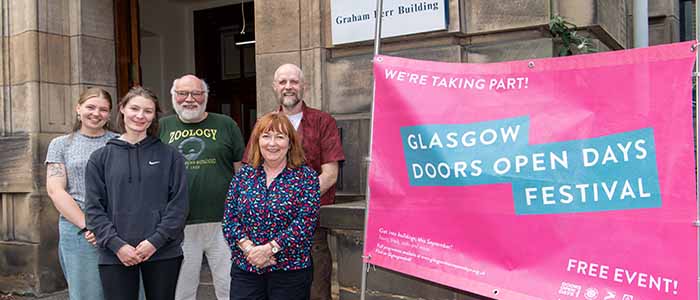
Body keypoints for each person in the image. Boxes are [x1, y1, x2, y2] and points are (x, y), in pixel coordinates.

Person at [85, 86, 189, 300]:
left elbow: (179, 205)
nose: (140, 116)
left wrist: (155, 242)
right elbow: (94, 209)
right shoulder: (100, 158)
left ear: (154, 115)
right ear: (122, 109)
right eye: (134, 108)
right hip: (115, 253)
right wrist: (117, 245)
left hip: (163, 251)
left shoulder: (170, 156)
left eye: (148, 111)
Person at [159, 74, 245, 300]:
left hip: (224, 222)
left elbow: (241, 172)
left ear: (205, 97)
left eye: (196, 93)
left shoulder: (226, 124)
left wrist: (244, 214)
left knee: (231, 287)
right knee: (182, 291)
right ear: (173, 96)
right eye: (183, 93)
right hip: (179, 225)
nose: (189, 99)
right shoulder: (161, 127)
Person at [223, 112, 320, 300]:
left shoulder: (306, 177)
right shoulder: (244, 176)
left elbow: (305, 223)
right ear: (257, 141)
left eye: (280, 137)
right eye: (266, 136)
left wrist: (269, 249)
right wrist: (250, 250)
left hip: (290, 271)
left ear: (290, 142)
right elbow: (229, 219)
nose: (272, 143)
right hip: (247, 268)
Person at [270, 63, 345, 300]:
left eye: (294, 82)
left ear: (304, 86)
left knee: (317, 291)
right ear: (275, 87)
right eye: (283, 82)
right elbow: (254, 173)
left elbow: (330, 174)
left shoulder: (323, 122)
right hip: (273, 226)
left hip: (311, 225)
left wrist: (298, 204)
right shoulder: (266, 125)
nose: (288, 87)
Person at [46, 87, 117, 300]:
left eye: (103, 109)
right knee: (87, 294)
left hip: (118, 226)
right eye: (90, 107)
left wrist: (106, 227)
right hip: (79, 229)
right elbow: (55, 189)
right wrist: (88, 225)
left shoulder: (120, 142)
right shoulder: (61, 144)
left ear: (110, 114)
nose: (96, 113)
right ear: (78, 108)